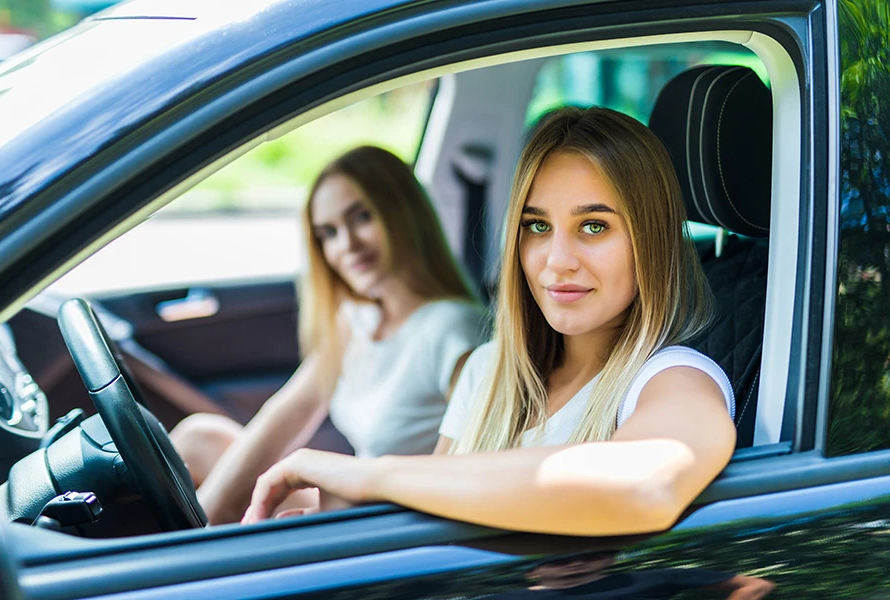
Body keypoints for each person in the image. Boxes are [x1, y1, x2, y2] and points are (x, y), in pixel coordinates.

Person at [241, 107, 738, 536]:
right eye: (537, 226)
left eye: (593, 226)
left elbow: (646, 484)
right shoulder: (487, 371)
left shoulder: (672, 379)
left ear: (649, 241)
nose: (555, 260)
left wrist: (368, 475)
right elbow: (429, 523)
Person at [170, 145, 487, 524]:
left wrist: (331, 510)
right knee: (198, 439)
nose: (346, 245)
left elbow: (460, 479)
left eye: (362, 217)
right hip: (356, 501)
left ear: (404, 212)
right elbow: (285, 415)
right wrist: (208, 518)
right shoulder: (356, 319)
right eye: (328, 233)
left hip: (396, 522)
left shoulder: (454, 330)